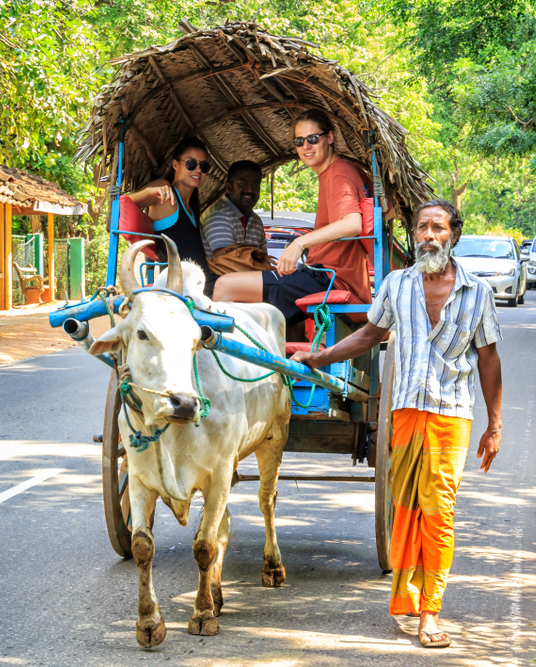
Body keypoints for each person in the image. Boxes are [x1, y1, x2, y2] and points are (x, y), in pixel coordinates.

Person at [290, 200, 503, 649]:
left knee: (439, 511)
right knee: (405, 510)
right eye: (422, 227)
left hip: (451, 415)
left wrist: (495, 424)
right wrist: (320, 356)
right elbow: (369, 334)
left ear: (453, 235)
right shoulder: (396, 285)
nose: (429, 235)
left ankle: (430, 611)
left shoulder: (478, 292)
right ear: (414, 234)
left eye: (438, 228)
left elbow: (488, 358)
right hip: (405, 413)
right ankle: (408, 599)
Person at [210, 109, 371, 326]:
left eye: (313, 139)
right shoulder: (340, 171)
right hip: (325, 276)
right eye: (299, 141)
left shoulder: (338, 174)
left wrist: (298, 243)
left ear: (330, 138)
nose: (306, 146)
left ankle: (223, 359)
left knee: (224, 286)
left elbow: (353, 223)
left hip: (331, 280)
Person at [127, 137, 215, 291]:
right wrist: (149, 192)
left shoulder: (192, 205)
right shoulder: (165, 191)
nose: (198, 170)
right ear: (175, 164)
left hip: (200, 282)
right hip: (182, 287)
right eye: (191, 164)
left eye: (204, 166)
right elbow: (122, 205)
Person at [201, 160, 267, 256]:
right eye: (243, 184)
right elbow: (228, 263)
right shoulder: (218, 215)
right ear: (228, 187)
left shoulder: (256, 220)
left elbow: (265, 261)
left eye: (255, 185)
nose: (250, 189)